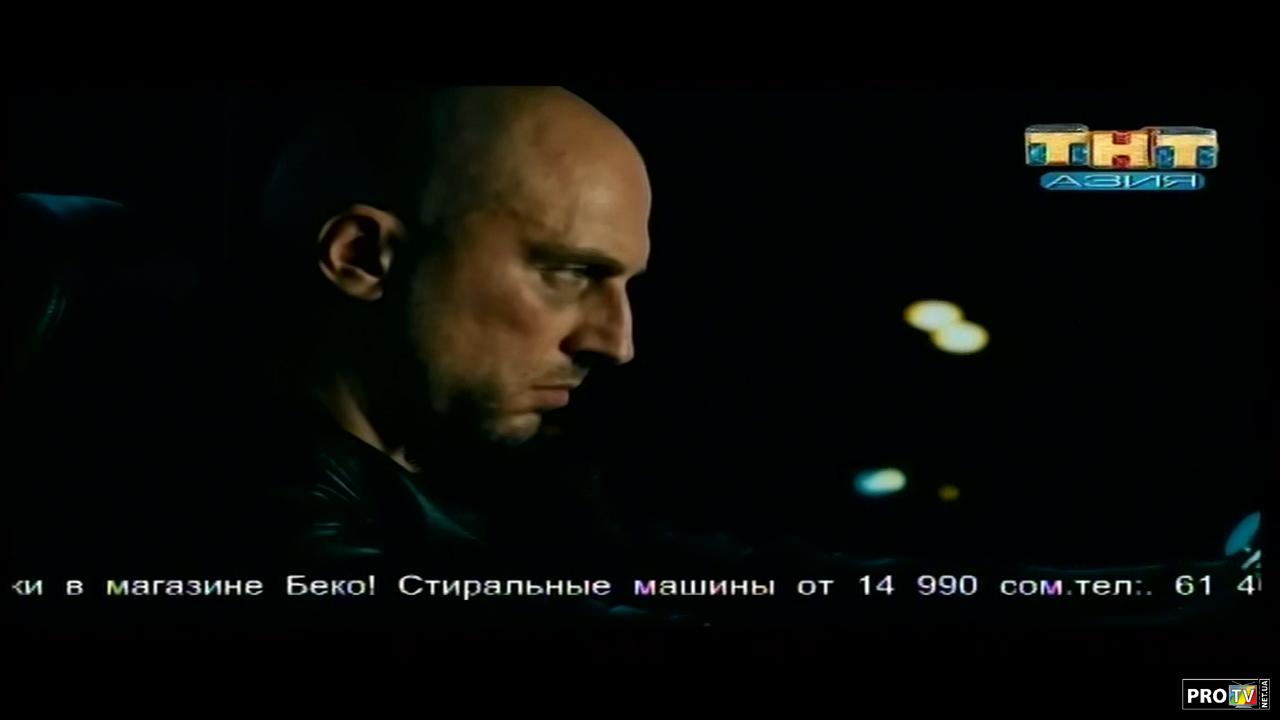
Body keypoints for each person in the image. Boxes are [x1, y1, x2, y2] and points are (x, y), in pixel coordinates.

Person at [225, 86, 659, 623]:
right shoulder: (255, 529)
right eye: (569, 272)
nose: (617, 344)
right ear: (364, 257)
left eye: (625, 284)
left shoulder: (499, 477)